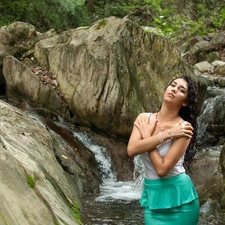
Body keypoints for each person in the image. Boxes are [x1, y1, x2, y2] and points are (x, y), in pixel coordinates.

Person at [127, 75, 200, 225]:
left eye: (181, 90)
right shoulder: (143, 119)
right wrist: (168, 135)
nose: (174, 89)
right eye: (172, 85)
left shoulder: (184, 128)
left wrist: (147, 136)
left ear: (185, 101)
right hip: (153, 196)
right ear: (165, 90)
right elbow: (132, 149)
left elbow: (162, 169)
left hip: (181, 200)